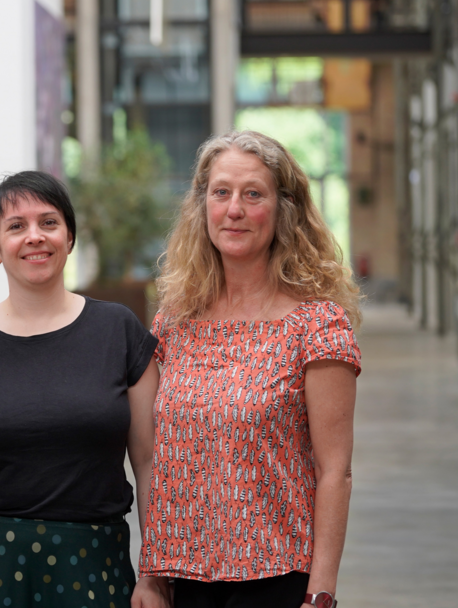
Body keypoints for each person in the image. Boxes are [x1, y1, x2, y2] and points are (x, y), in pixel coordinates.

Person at [131, 130, 362, 608]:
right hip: (186, 580)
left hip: (277, 579)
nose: (234, 209)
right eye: (221, 192)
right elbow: (156, 458)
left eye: (253, 194)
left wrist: (320, 594)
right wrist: (151, 574)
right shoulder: (174, 322)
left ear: (283, 211)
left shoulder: (316, 325)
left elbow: (334, 471)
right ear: (203, 207)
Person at [0, 171, 160, 608]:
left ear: (70, 237)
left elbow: (148, 462)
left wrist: (154, 575)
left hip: (92, 563)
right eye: (16, 226)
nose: (35, 236)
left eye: (49, 222)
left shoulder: (118, 330)